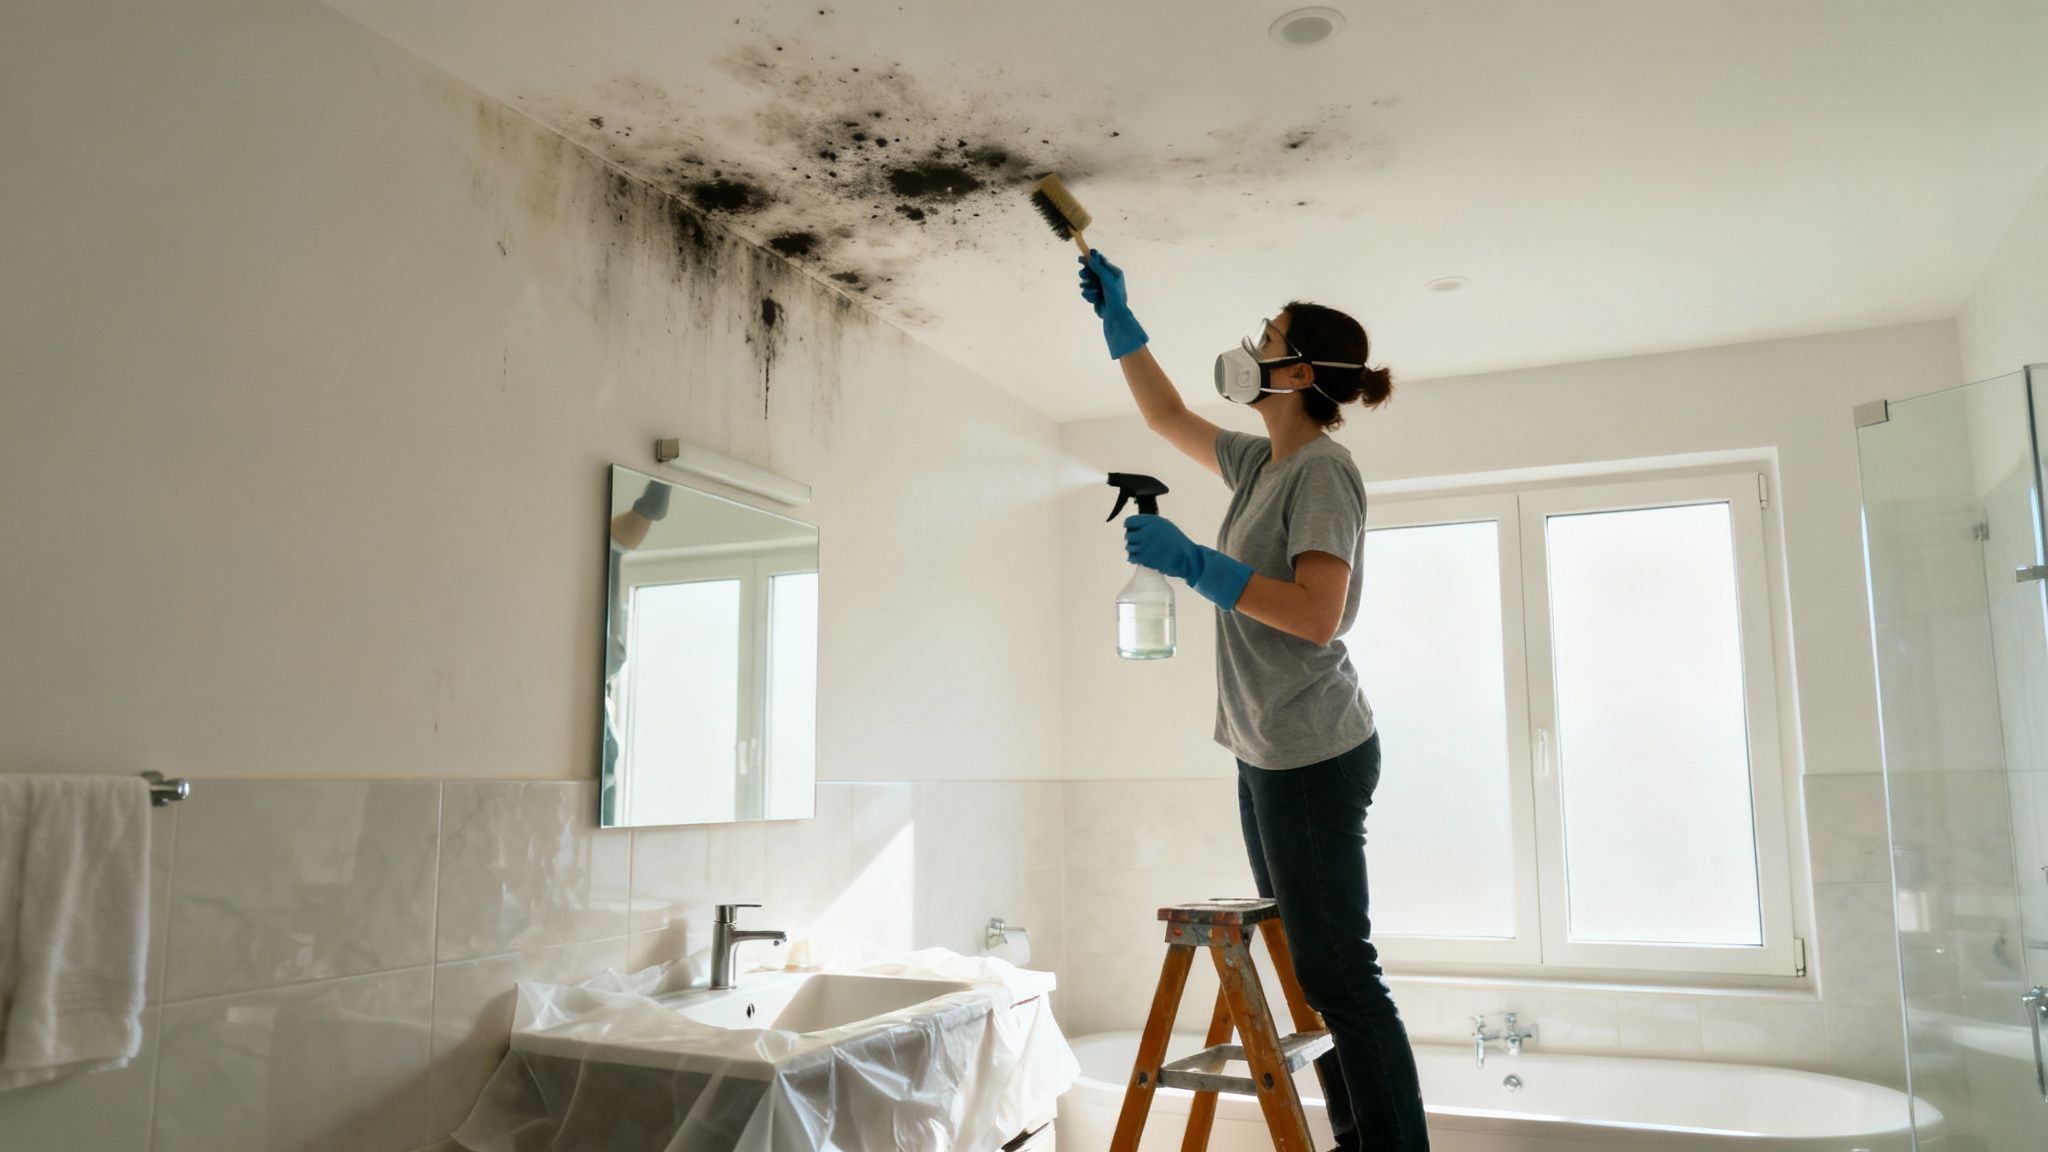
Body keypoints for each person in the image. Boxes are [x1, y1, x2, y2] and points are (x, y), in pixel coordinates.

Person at [1078, 249, 1429, 1150]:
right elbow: (1164, 414)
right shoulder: (1262, 463)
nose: (1248, 348)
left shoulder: (1322, 471)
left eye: (1264, 339)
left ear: (1298, 372)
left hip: (1312, 749)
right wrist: (1121, 320)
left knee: (1341, 975)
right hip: (1265, 748)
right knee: (1318, 977)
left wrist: (1198, 565)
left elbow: (1318, 617)